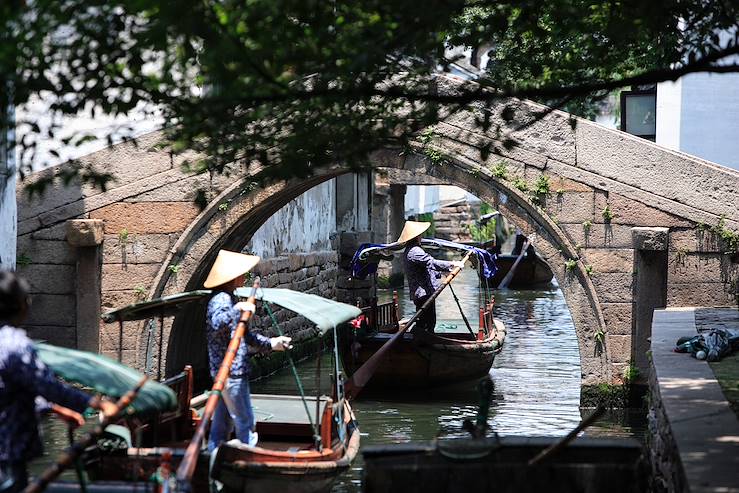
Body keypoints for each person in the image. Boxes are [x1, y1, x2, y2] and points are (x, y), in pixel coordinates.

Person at [0, 271, 116, 493]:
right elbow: (49, 386)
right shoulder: (15, 344)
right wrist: (97, 403)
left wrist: (54, 408)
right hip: (8, 450)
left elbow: (10, 389)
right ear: (21, 305)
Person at [204, 250, 292, 452]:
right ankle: (247, 457)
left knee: (222, 424)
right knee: (245, 422)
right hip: (230, 372)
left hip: (228, 372)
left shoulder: (229, 298)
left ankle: (213, 456)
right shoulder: (221, 300)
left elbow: (245, 336)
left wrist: (272, 343)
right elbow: (218, 324)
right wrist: (237, 311)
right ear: (233, 277)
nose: (245, 276)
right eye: (242, 273)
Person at [399, 221, 464, 333]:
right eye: (420, 235)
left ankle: (424, 338)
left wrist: (442, 273)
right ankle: (422, 340)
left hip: (423, 293)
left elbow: (426, 270)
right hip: (422, 293)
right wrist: (452, 264)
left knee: (428, 321)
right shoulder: (415, 251)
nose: (421, 237)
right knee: (426, 322)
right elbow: (432, 263)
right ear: (416, 237)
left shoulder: (413, 250)